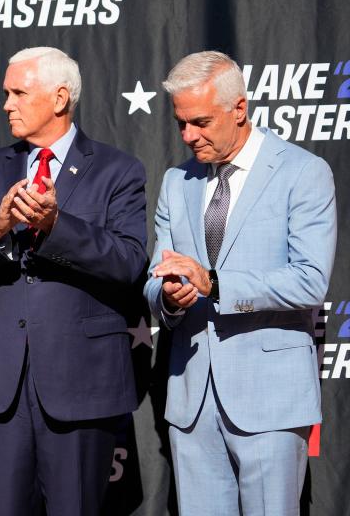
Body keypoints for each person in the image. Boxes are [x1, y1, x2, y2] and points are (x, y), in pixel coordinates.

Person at [0, 47, 148, 515]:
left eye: (18, 93)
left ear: (59, 98)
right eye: (5, 93)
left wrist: (58, 227)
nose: (6, 104)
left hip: (80, 381)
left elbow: (130, 262)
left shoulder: (117, 171)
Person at [144, 51, 336, 514]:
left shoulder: (303, 172)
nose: (189, 136)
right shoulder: (177, 181)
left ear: (239, 108)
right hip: (192, 400)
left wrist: (214, 283)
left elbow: (310, 281)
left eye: (201, 122)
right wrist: (169, 298)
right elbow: (154, 279)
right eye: (181, 123)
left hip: (270, 399)